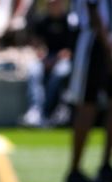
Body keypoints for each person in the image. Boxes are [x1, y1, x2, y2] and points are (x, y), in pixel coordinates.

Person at [64, 0, 112, 182]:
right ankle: (75, 170)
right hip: (93, 42)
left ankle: (106, 165)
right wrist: (110, 46)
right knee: (88, 104)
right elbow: (93, 8)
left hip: (110, 40)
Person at [20, 0, 79, 128]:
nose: (52, 5)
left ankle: (51, 110)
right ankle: (35, 111)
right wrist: (43, 57)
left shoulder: (70, 22)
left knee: (60, 73)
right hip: (46, 58)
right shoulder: (42, 21)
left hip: (63, 59)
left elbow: (71, 49)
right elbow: (37, 44)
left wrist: (55, 60)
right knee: (33, 70)